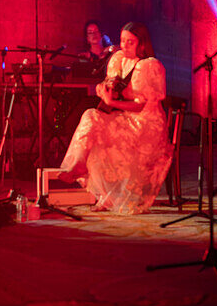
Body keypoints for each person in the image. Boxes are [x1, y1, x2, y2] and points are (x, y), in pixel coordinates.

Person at [59, 21, 173, 214]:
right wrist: (103, 90)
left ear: (142, 44)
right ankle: (80, 167)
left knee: (105, 137)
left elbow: (141, 105)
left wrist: (113, 104)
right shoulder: (118, 59)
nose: (124, 46)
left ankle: (109, 196)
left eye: (130, 42)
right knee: (91, 116)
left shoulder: (149, 66)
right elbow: (112, 85)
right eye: (122, 41)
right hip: (125, 117)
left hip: (146, 123)